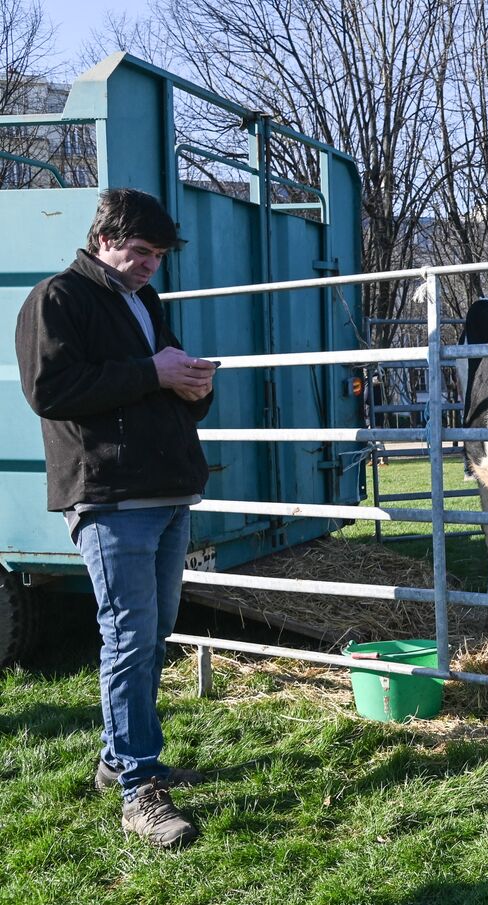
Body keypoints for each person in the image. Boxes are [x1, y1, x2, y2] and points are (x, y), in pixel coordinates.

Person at [14, 188, 217, 849]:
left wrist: (191, 386)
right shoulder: (58, 299)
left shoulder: (143, 301)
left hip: (163, 491)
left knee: (152, 635)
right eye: (140, 251)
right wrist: (153, 373)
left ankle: (120, 760)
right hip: (108, 495)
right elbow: (50, 390)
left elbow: (158, 383)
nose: (151, 264)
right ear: (104, 238)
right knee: (130, 639)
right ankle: (138, 788)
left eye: (159, 255)